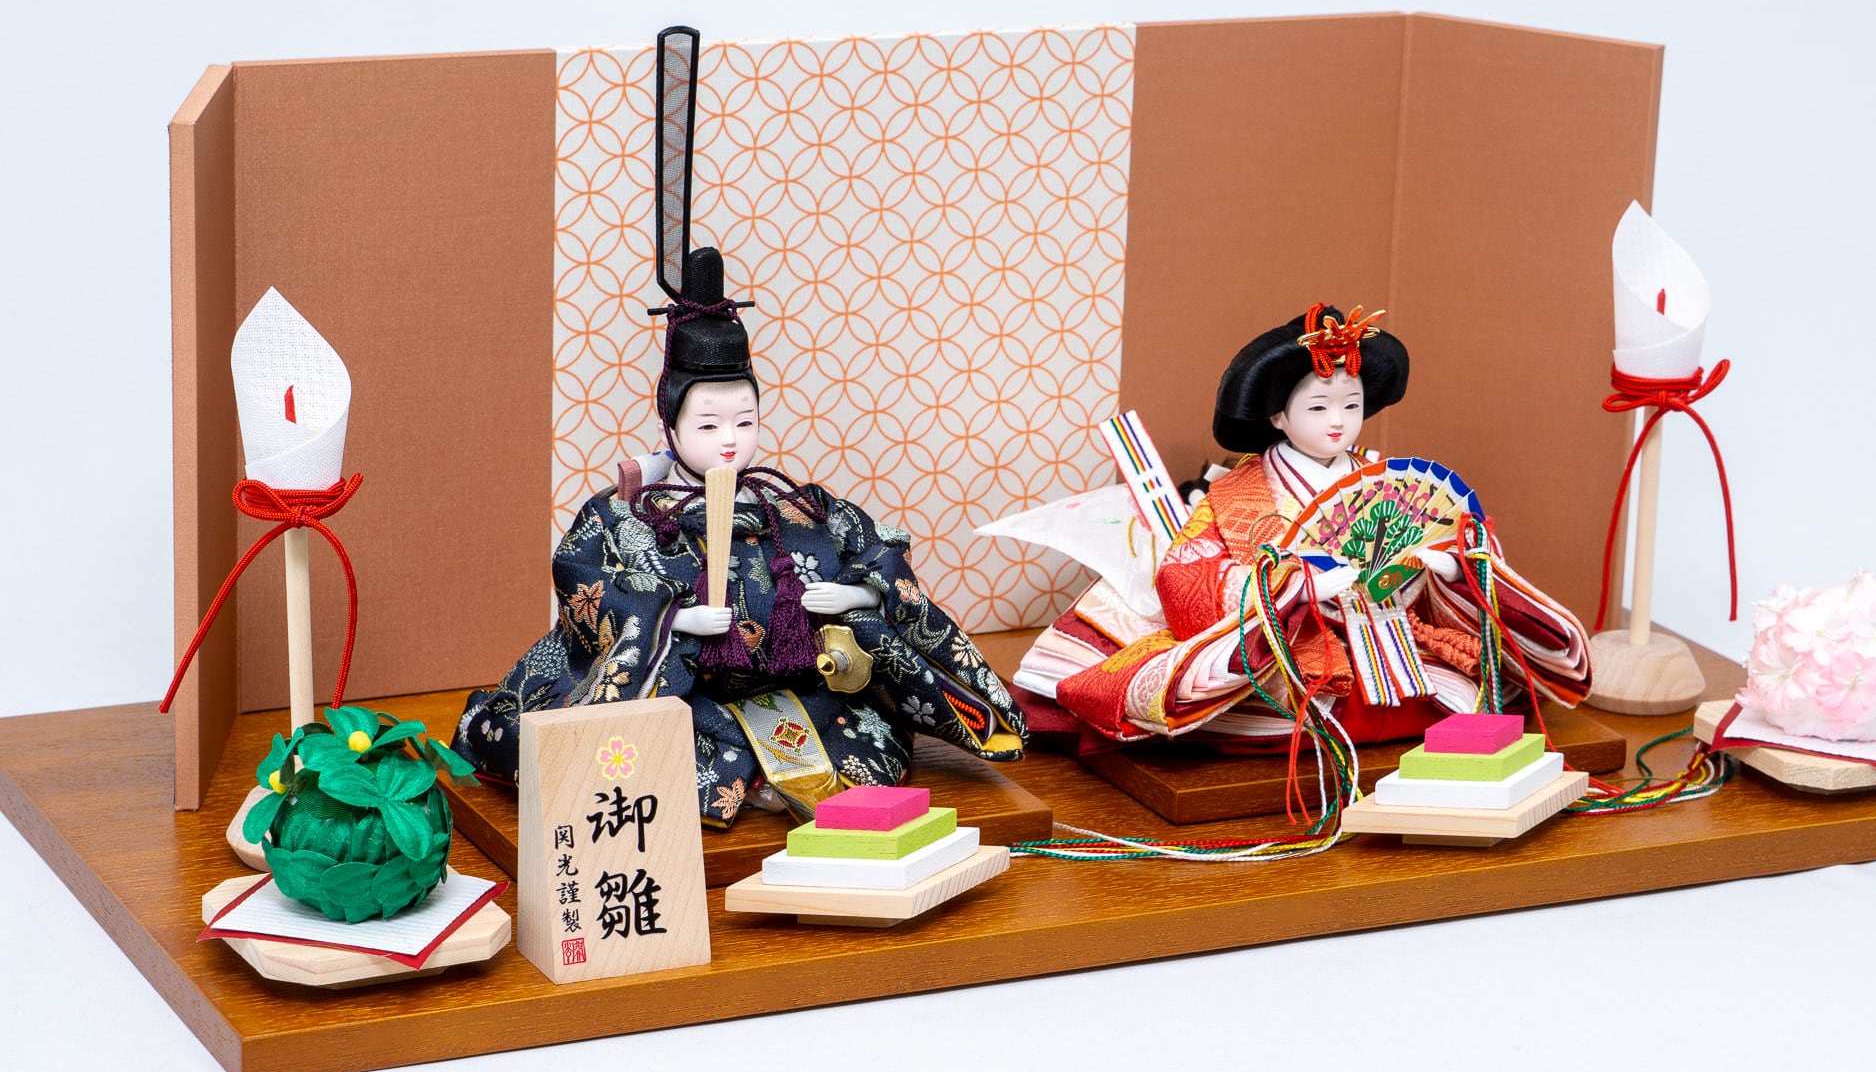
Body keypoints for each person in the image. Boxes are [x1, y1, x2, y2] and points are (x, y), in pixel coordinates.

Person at [452, 248, 1026, 828]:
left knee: (861, 749)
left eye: (745, 421)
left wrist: (857, 595)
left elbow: (880, 552)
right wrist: (672, 619)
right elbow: (581, 576)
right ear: (670, 425)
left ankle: (784, 781)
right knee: (635, 755)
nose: (730, 440)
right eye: (708, 424)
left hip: (805, 693)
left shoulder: (796, 505)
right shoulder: (624, 516)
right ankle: (742, 781)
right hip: (688, 698)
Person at [1047, 303, 1591, 745]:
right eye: (1318, 408)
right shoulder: (1237, 495)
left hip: (1396, 637)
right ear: (1278, 416)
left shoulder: (1383, 477)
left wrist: (1449, 566)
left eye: (1351, 406)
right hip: (1301, 650)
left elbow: (1462, 533)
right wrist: (1291, 588)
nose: (1338, 422)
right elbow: (1186, 577)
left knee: (1477, 691)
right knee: (1239, 706)